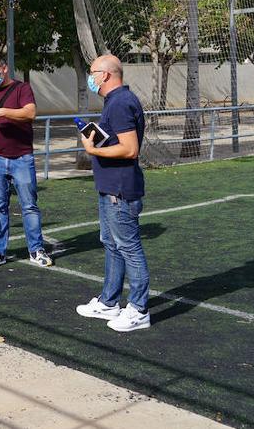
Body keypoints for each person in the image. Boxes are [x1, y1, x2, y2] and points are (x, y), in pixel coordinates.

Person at [75, 54, 151, 333]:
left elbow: (130, 149)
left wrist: (93, 150)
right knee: (111, 243)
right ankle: (109, 302)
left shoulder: (120, 103)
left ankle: (139, 309)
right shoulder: (115, 102)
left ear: (105, 75)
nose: (90, 77)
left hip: (120, 189)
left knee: (129, 248)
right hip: (110, 187)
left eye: (92, 72)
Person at [0, 56, 52, 269]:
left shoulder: (22, 89)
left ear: (4, 69)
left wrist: (3, 111)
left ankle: (36, 250)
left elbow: (30, 112)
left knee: (29, 206)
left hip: (22, 158)